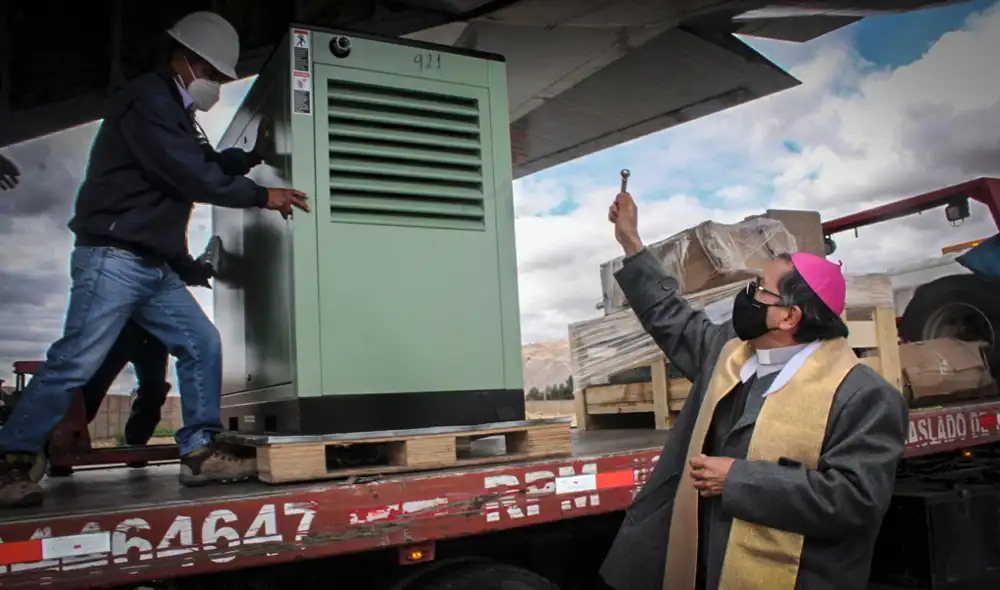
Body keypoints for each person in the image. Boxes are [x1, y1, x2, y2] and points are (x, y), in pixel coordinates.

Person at [0, 10, 310, 508]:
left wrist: (247, 158)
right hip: (114, 258)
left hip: (151, 266)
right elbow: (188, 172)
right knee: (77, 359)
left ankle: (200, 451)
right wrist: (260, 196)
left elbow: (201, 162)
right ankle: (12, 460)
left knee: (200, 342)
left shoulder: (172, 110)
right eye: (210, 75)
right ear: (184, 60)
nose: (213, 84)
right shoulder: (146, 100)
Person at [598, 192, 909, 590]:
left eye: (761, 288)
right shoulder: (729, 356)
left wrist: (739, 481)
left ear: (788, 316)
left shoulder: (863, 396)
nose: (747, 295)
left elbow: (855, 501)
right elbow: (670, 317)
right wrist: (631, 243)